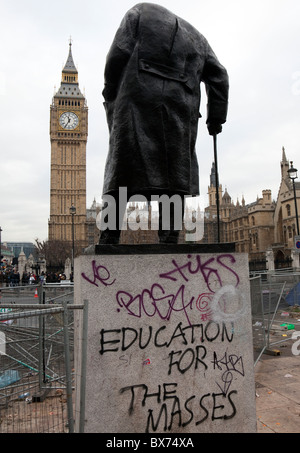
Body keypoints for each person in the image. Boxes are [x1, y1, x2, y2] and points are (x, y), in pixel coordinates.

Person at [99, 2, 229, 244]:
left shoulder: (138, 13)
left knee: (121, 168)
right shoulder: (198, 39)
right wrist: (216, 118)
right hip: (180, 108)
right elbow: (220, 77)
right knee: (174, 176)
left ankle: (109, 234)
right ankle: (170, 235)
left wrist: (109, 91)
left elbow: (117, 54)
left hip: (136, 99)